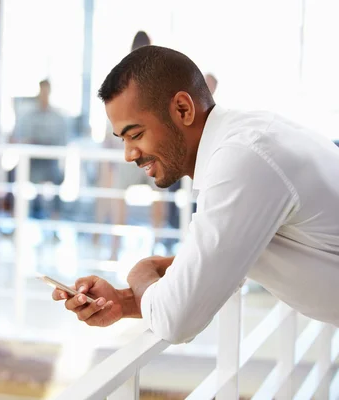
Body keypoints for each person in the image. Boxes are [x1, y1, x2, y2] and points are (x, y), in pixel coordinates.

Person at [52, 45, 339, 344]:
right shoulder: (248, 138)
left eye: (135, 135)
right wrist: (122, 302)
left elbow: (177, 321)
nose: (128, 154)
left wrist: (140, 275)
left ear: (182, 110)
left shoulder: (243, 159)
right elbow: (220, 261)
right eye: (123, 139)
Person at [94, 30, 165, 260]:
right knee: (122, 191)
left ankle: (149, 245)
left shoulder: (153, 77)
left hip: (147, 149)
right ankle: (119, 246)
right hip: (135, 149)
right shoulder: (123, 77)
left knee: (157, 192)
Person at [11, 79, 69, 218]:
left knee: (58, 177)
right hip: (32, 162)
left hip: (50, 162)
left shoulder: (57, 117)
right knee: (15, 175)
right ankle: (16, 218)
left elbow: (62, 141)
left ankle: (55, 218)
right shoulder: (28, 115)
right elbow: (17, 137)